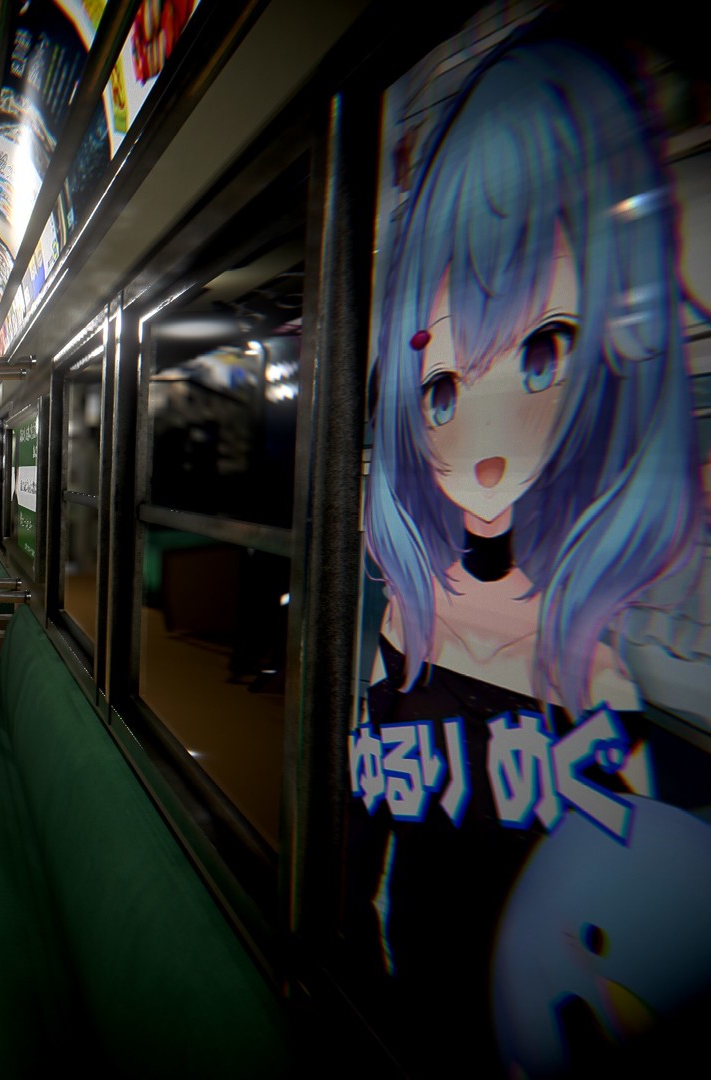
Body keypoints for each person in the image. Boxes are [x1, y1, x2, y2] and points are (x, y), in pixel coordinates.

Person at [350, 29, 710, 1075]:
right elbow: (378, 808)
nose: (484, 448)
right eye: (442, 390)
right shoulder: (413, 602)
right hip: (418, 966)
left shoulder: (608, 627)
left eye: (546, 351)